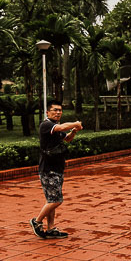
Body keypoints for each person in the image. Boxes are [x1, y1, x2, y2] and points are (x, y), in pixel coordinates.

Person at [31, 101, 82, 240]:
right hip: (48, 170)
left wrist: (74, 131)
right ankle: (37, 221)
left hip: (56, 168)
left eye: (60, 110)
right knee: (56, 200)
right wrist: (75, 123)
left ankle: (51, 228)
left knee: (51, 200)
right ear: (47, 112)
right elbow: (61, 127)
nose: (58, 112)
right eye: (55, 110)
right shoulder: (47, 125)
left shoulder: (54, 128)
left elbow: (68, 139)